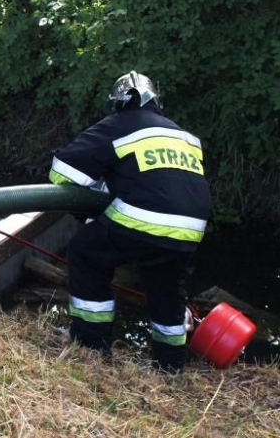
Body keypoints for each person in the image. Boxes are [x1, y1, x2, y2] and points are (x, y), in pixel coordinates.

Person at [48, 71, 210, 372]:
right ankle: (170, 366)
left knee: (85, 252)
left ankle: (91, 345)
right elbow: (164, 183)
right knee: (167, 290)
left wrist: (96, 195)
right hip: (191, 228)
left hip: (142, 217)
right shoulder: (185, 136)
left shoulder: (119, 125)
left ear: (118, 104)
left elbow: (63, 174)